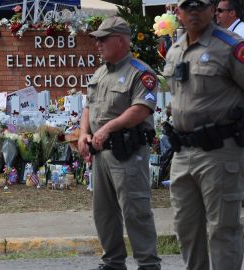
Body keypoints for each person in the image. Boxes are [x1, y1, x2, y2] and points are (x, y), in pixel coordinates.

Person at [163, 0, 244, 269]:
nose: (194, 11)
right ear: (178, 12)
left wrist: (239, 128)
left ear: (213, 9)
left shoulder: (232, 46)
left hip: (220, 152)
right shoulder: (175, 49)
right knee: (186, 228)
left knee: (222, 229)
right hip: (182, 152)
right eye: (188, 6)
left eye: (202, 4)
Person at [77, 16, 161, 270]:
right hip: (101, 154)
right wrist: (83, 134)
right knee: (104, 213)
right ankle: (113, 262)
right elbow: (88, 107)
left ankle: (148, 264)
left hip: (128, 151)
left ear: (121, 41)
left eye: (103, 39)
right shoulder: (100, 73)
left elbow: (141, 109)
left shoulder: (140, 72)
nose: (98, 45)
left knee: (135, 210)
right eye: (97, 40)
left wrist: (108, 128)